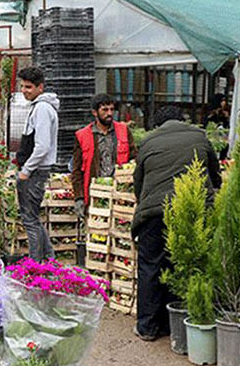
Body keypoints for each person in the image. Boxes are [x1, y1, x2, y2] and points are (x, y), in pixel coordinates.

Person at [132, 105, 218, 342]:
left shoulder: (148, 142)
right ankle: (179, 323)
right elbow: (215, 173)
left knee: (150, 266)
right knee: (187, 262)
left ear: (158, 125)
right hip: (192, 209)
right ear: (183, 120)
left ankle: (148, 327)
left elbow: (138, 183)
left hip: (155, 213)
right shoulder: (199, 136)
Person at [70, 93, 138, 217]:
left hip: (120, 190)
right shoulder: (82, 135)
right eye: (105, 110)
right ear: (95, 113)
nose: (110, 113)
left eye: (112, 109)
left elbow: (134, 158)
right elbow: (77, 170)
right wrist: (79, 198)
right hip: (95, 192)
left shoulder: (123, 130)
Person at [16, 66, 59, 261]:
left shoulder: (42, 108)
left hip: (36, 172)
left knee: (30, 220)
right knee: (33, 218)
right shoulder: (39, 107)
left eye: (29, 87)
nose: (24, 90)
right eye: (22, 86)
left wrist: (26, 170)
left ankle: (35, 265)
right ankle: (49, 260)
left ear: (40, 87)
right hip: (37, 171)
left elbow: (42, 146)